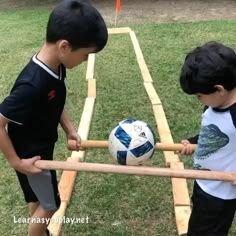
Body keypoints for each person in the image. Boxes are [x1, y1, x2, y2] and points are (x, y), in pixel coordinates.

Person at [0, 0, 108, 235]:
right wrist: (17, 162)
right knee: (50, 206)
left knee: (38, 200)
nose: (85, 61)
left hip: (40, 145)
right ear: (65, 46)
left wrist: (69, 129)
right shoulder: (32, 83)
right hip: (31, 155)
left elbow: (53, 103)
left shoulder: (56, 65)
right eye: (86, 55)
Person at [179, 41, 236, 236]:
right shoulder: (213, 105)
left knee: (211, 229)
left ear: (219, 89)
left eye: (199, 95)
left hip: (221, 192)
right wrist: (194, 142)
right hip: (204, 180)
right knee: (199, 217)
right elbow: (211, 132)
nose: (199, 99)